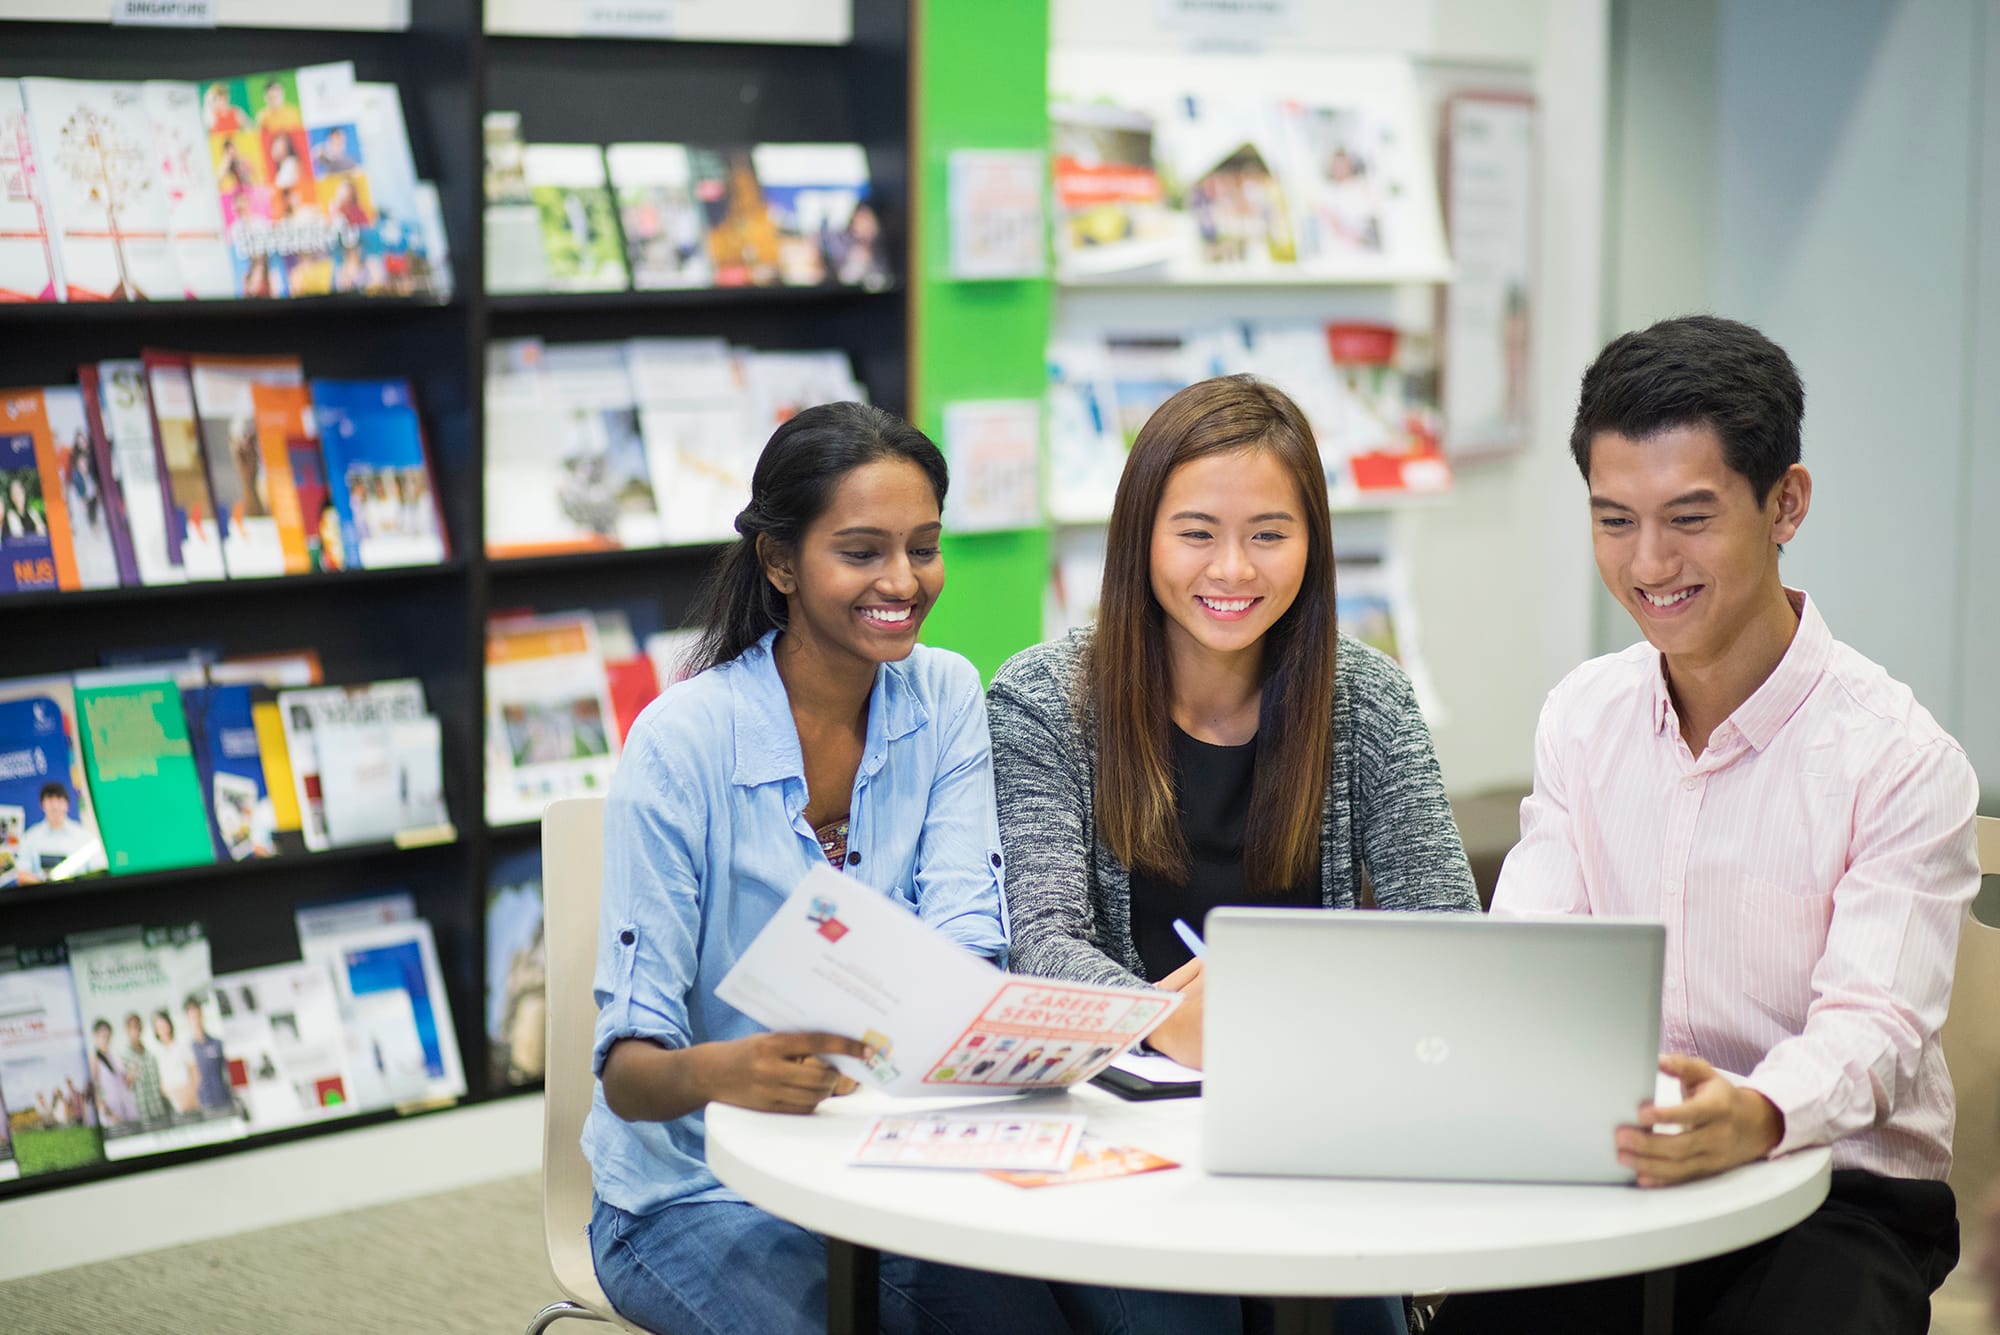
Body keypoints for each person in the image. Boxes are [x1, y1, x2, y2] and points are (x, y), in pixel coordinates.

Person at [1429, 316, 1980, 1335]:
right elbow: (1529, 962)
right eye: (1612, 520)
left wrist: (1756, 1113)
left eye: (1689, 517)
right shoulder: (1582, 717)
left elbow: (1875, 1027)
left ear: (1785, 504)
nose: (1648, 563)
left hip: (1829, 1189)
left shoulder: (1895, 758)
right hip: (1615, 1163)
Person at [988, 374, 1478, 1335]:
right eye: (1197, 532)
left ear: (1313, 543)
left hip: (1308, 1132)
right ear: (1142, 538)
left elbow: (1450, 940)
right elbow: (1039, 945)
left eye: (1269, 533)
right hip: (1117, 1141)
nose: (1234, 569)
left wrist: (1271, 1023)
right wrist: (1166, 1015)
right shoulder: (1043, 699)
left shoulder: (1366, 698)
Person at [585, 401, 1071, 1335]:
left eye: (923, 546)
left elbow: (970, 938)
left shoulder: (947, 695)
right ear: (779, 562)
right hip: (691, 1191)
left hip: (887, 1164)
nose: (903, 580)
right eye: (861, 551)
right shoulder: (682, 741)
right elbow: (629, 1076)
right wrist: (722, 1070)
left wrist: (1008, 1028)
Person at [14, 782, 94, 885]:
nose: (55, 806)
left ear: (67, 805)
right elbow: (22, 876)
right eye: (50, 801)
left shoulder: (84, 836)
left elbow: (97, 871)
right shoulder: (30, 837)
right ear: (42, 805)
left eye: (59, 800)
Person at [184, 995, 232, 1113]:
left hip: (225, 1102)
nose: (195, 1018)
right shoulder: (188, 1049)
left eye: (196, 1013)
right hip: (205, 1107)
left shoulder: (218, 1043)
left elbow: (233, 1072)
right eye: (191, 1014)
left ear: (201, 1014)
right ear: (187, 1018)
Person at [120, 1012, 170, 1126]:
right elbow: (124, 1089)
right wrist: (130, 1077)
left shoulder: (151, 1056)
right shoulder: (123, 1058)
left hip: (159, 1112)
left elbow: (159, 1084)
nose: (136, 1031)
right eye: (132, 1027)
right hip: (142, 1118)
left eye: (138, 1027)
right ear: (127, 1031)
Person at [91, 1018, 138, 1127]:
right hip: (112, 1118)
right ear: (96, 1037)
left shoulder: (115, 1058)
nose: (106, 1040)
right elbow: (94, 1093)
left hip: (127, 1113)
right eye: (103, 1036)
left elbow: (126, 1085)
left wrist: (132, 1075)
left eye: (108, 1036)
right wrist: (110, 1115)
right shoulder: (94, 1060)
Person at [151, 1009, 199, 1114]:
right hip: (172, 1098)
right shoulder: (156, 1053)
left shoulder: (181, 1045)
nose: (162, 1028)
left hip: (188, 1092)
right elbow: (160, 1079)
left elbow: (194, 1069)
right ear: (156, 1030)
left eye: (164, 1024)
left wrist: (193, 1092)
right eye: (159, 1026)